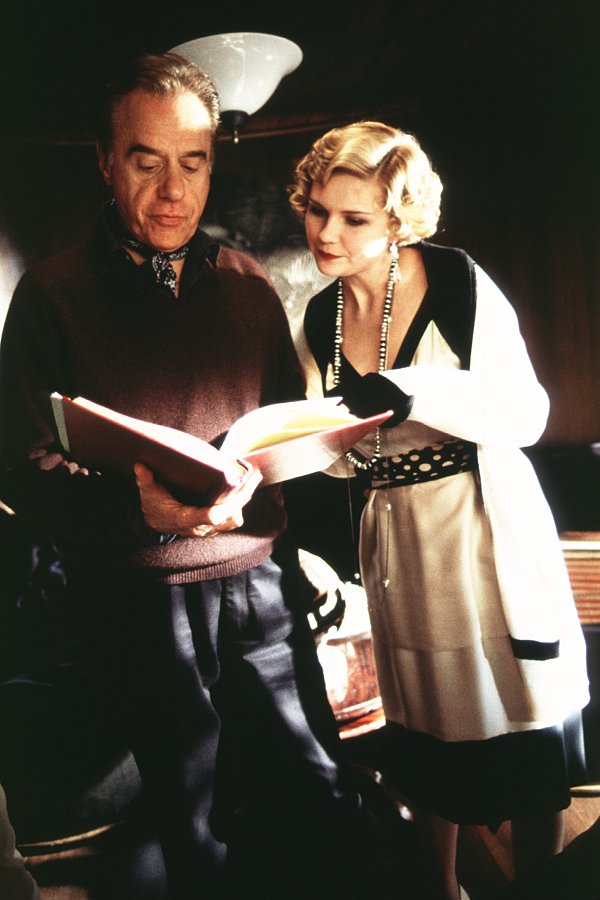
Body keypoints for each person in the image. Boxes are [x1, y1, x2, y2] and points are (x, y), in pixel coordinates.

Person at [0, 52, 368, 900]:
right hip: (137, 603)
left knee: (314, 794)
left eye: (193, 163)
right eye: (147, 162)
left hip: (262, 585)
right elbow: (26, 470)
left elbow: (282, 428)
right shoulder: (50, 295)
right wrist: (143, 511)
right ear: (105, 162)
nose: (174, 191)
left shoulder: (248, 285)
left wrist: (302, 455)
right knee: (188, 826)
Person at [288, 120, 590, 899]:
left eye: (354, 218)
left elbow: (526, 413)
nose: (327, 233)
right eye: (318, 210)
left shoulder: (456, 283)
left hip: (483, 531)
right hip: (396, 537)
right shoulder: (317, 321)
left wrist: (412, 390)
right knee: (425, 739)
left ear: (398, 219)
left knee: (523, 732)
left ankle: (542, 887)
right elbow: (335, 451)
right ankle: (440, 890)